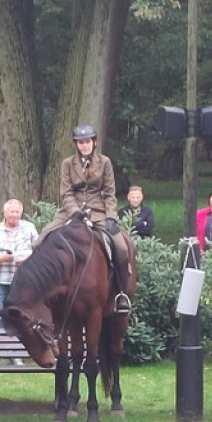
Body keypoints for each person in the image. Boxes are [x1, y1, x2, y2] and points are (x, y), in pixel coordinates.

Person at [38, 124, 132, 313]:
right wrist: (74, 212)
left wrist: (111, 216)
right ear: (76, 145)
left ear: (94, 142)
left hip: (98, 211)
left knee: (121, 247)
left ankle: (121, 293)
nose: (84, 145)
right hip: (71, 211)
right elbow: (66, 192)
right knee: (39, 242)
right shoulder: (67, 164)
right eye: (81, 142)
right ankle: (44, 292)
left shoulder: (104, 162)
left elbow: (109, 192)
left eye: (87, 141)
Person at [0, 199, 38, 362]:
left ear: (21, 213)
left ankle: (16, 354)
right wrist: (0, 259)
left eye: (17, 212)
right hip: (1, 281)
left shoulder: (29, 228)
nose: (14, 215)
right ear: (4, 213)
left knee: (20, 318)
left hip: (23, 283)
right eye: (11, 212)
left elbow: (40, 249)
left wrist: (27, 257)